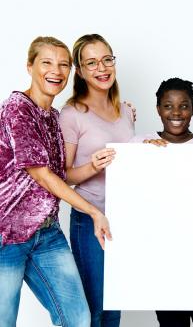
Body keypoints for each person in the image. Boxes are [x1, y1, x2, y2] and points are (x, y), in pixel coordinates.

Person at [0, 36, 111, 327]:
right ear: (30, 67)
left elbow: (61, 175)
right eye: (47, 62)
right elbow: (42, 175)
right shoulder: (17, 108)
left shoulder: (53, 117)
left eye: (64, 65)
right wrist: (94, 211)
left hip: (47, 235)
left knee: (78, 319)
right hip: (6, 237)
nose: (57, 71)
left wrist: (92, 166)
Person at [131, 77, 193, 327]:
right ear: (158, 109)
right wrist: (144, 156)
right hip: (165, 266)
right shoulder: (139, 146)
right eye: (168, 105)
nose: (176, 112)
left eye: (184, 106)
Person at [59, 34, 135, 327]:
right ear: (79, 70)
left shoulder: (126, 110)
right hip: (89, 219)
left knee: (115, 305)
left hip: (122, 219)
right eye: (91, 63)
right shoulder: (72, 114)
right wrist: (91, 166)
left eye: (106, 59)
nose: (102, 68)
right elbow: (63, 174)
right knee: (95, 308)